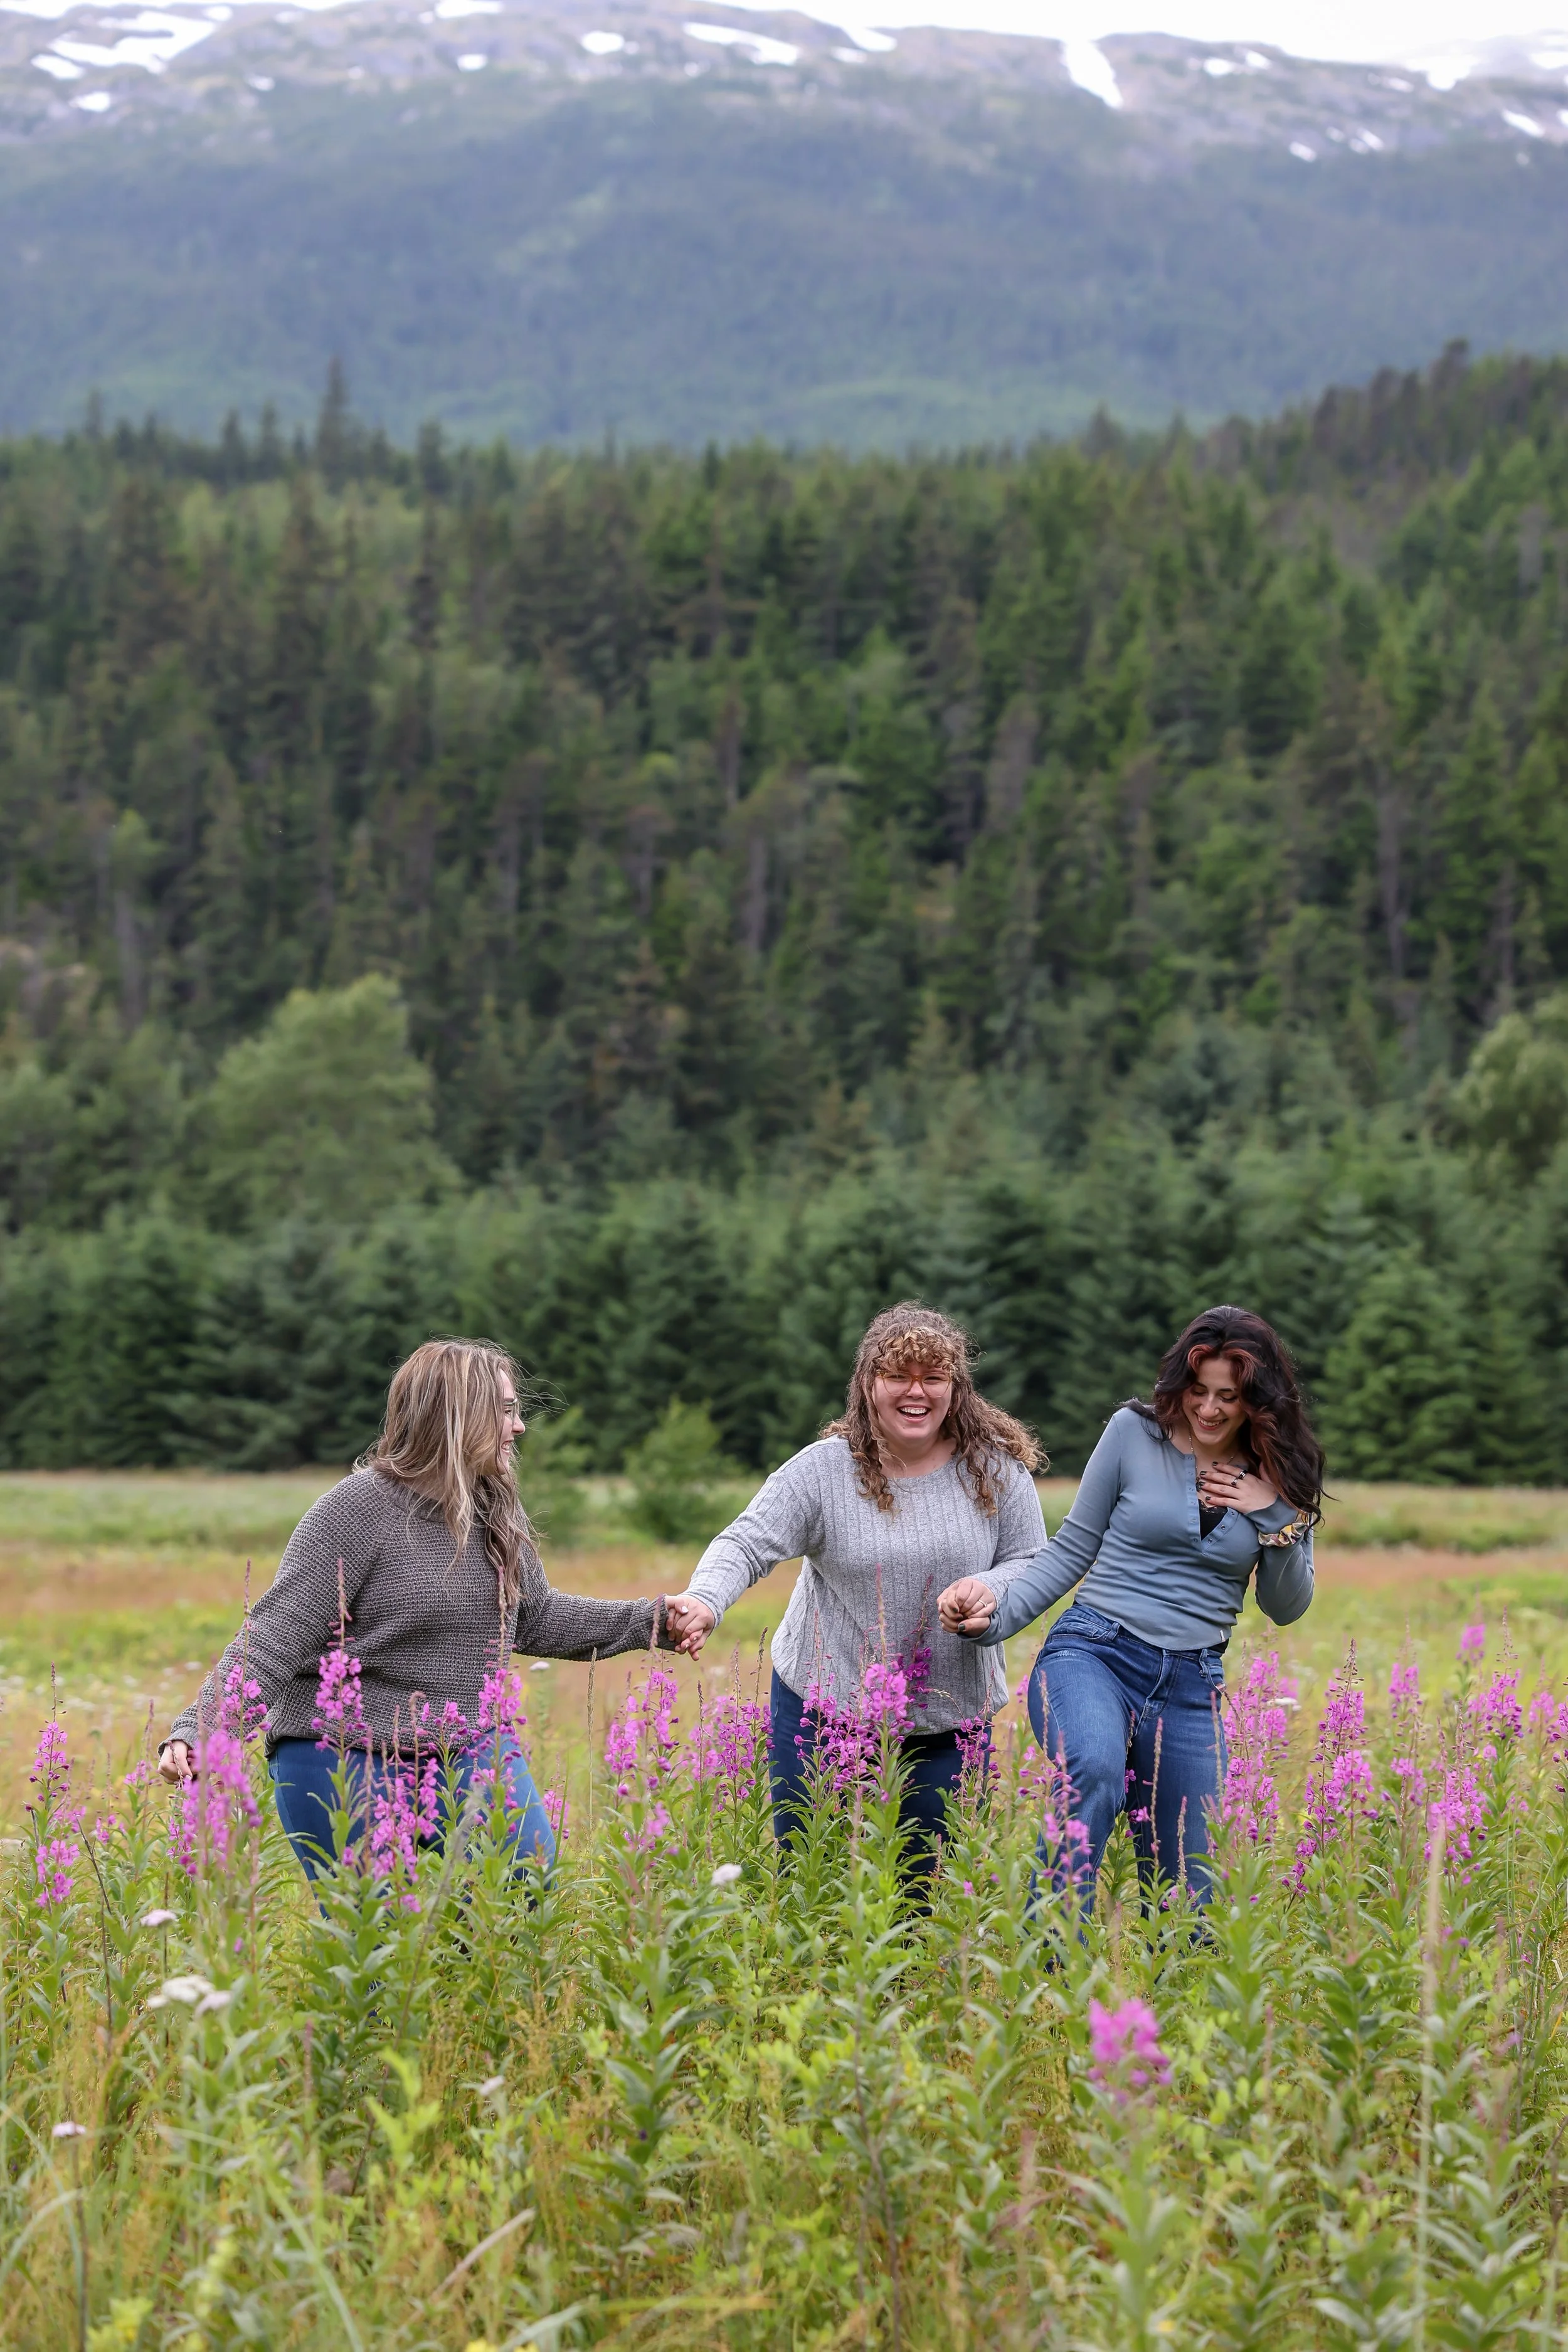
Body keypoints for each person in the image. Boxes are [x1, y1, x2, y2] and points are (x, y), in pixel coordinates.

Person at [159, 1338, 672, 1881]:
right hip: (340, 1750)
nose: (519, 1426)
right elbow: (273, 1639)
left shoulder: (495, 1506)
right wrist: (200, 1729)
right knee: (378, 1942)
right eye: (504, 1410)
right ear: (457, 1415)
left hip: (466, 1745)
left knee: (521, 1886)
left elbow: (535, 1618)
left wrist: (651, 1621)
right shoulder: (356, 1509)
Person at [937, 1303, 1319, 1914]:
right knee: (1092, 1772)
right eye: (1197, 1390)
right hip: (1095, 1653)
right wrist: (996, 1621)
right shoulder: (1132, 1434)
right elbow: (1071, 1550)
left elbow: (1285, 1606)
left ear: (1259, 1399)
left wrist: (1274, 1513)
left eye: (1229, 1395)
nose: (1210, 1409)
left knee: (1190, 1904)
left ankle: (1155, 1996)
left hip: (1193, 1682)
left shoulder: (1281, 1471)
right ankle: (1052, 1958)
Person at [663, 1303, 1046, 1870]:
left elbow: (1034, 1561)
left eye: (934, 1377)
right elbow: (745, 1543)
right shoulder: (823, 1471)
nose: (916, 1392)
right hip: (824, 1708)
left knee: (928, 1891)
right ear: (869, 1384)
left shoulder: (994, 1470)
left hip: (948, 1721)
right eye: (898, 1375)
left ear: (956, 1389)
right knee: (812, 1874)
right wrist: (704, 1600)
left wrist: (989, 1588)